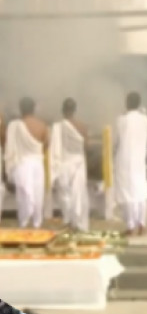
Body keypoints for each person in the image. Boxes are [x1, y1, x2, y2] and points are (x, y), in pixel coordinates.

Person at [48, 98, 90, 232]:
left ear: (63, 110)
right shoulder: (82, 126)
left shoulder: (58, 126)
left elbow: (54, 146)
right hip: (78, 162)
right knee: (78, 192)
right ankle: (77, 221)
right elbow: (87, 146)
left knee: (64, 193)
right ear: (75, 110)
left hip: (64, 163)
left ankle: (69, 220)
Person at [114, 92, 147, 235]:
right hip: (139, 158)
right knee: (140, 190)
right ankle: (142, 223)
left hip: (124, 159)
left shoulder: (121, 120)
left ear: (127, 103)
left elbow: (116, 141)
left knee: (127, 192)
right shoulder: (145, 120)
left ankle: (130, 225)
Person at [5, 97, 48, 228]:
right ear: (34, 109)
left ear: (21, 109)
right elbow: (46, 145)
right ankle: (37, 223)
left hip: (21, 164)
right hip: (37, 164)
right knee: (37, 193)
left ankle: (23, 223)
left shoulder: (14, 126)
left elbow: (8, 145)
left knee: (23, 194)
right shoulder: (42, 125)